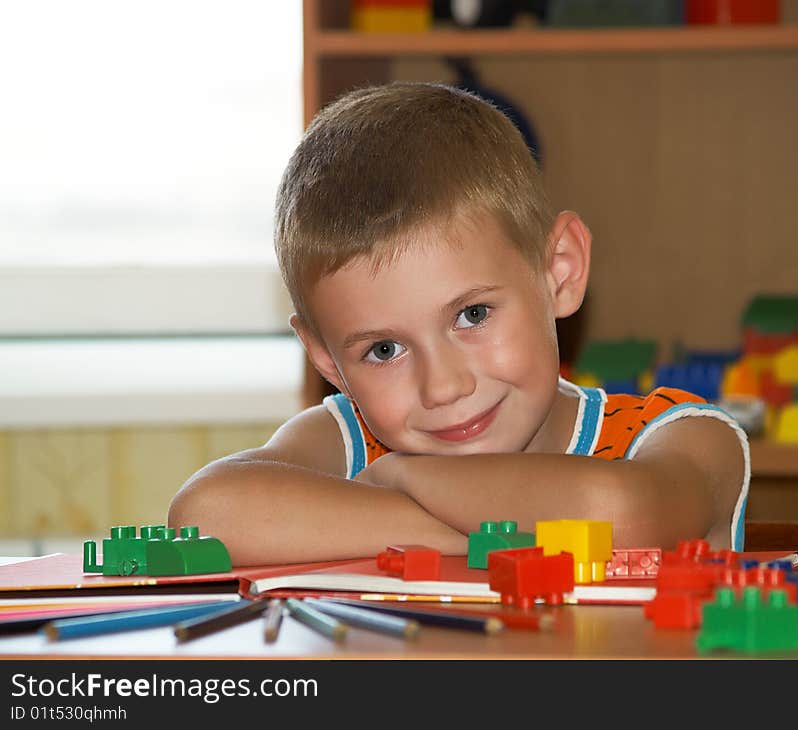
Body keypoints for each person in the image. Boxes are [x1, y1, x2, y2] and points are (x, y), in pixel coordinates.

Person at [168, 81, 749, 567]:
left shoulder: (682, 437)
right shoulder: (349, 441)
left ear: (559, 271)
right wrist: (476, 541)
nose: (443, 387)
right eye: (384, 349)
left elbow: (617, 515)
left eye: (472, 315)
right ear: (326, 359)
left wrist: (402, 479)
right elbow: (205, 515)